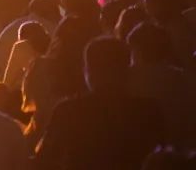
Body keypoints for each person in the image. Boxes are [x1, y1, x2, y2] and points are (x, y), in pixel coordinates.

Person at [35, 37, 164, 169]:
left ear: (88, 72)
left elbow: (44, 158)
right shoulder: (148, 111)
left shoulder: (68, 111)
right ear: (127, 71)